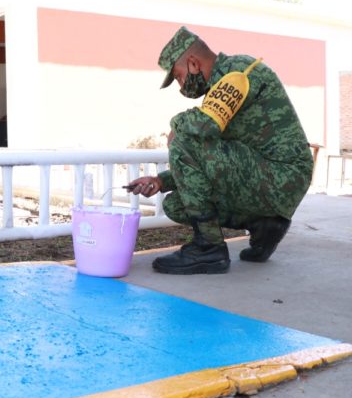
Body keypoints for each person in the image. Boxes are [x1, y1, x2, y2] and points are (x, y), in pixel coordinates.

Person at [128, 26, 313, 275]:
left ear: (193, 63)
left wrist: (176, 125)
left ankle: (209, 250)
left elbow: (202, 129)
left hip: (283, 174)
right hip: (266, 176)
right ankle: (265, 224)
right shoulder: (217, 92)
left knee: (185, 138)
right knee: (176, 205)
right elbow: (210, 159)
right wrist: (160, 181)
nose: (182, 86)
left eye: (179, 77)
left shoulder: (237, 74)